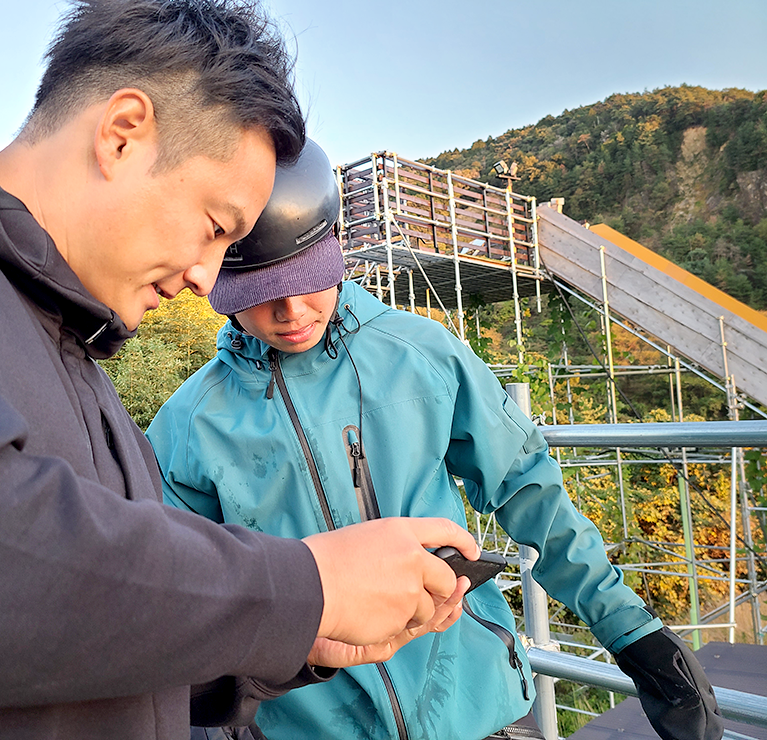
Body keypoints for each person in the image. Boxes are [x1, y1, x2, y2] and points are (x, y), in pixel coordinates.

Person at [0, 0, 482, 739]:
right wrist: (304, 587)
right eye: (214, 227)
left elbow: (105, 636)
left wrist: (298, 639)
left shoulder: (86, 372)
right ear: (123, 134)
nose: (208, 279)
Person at [146, 139, 724, 740]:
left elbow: (526, 487)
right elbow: (187, 600)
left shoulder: (420, 351)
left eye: (307, 278)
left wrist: (631, 632)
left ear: (334, 249)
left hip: (470, 708)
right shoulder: (190, 423)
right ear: (212, 280)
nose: (291, 310)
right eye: (259, 293)